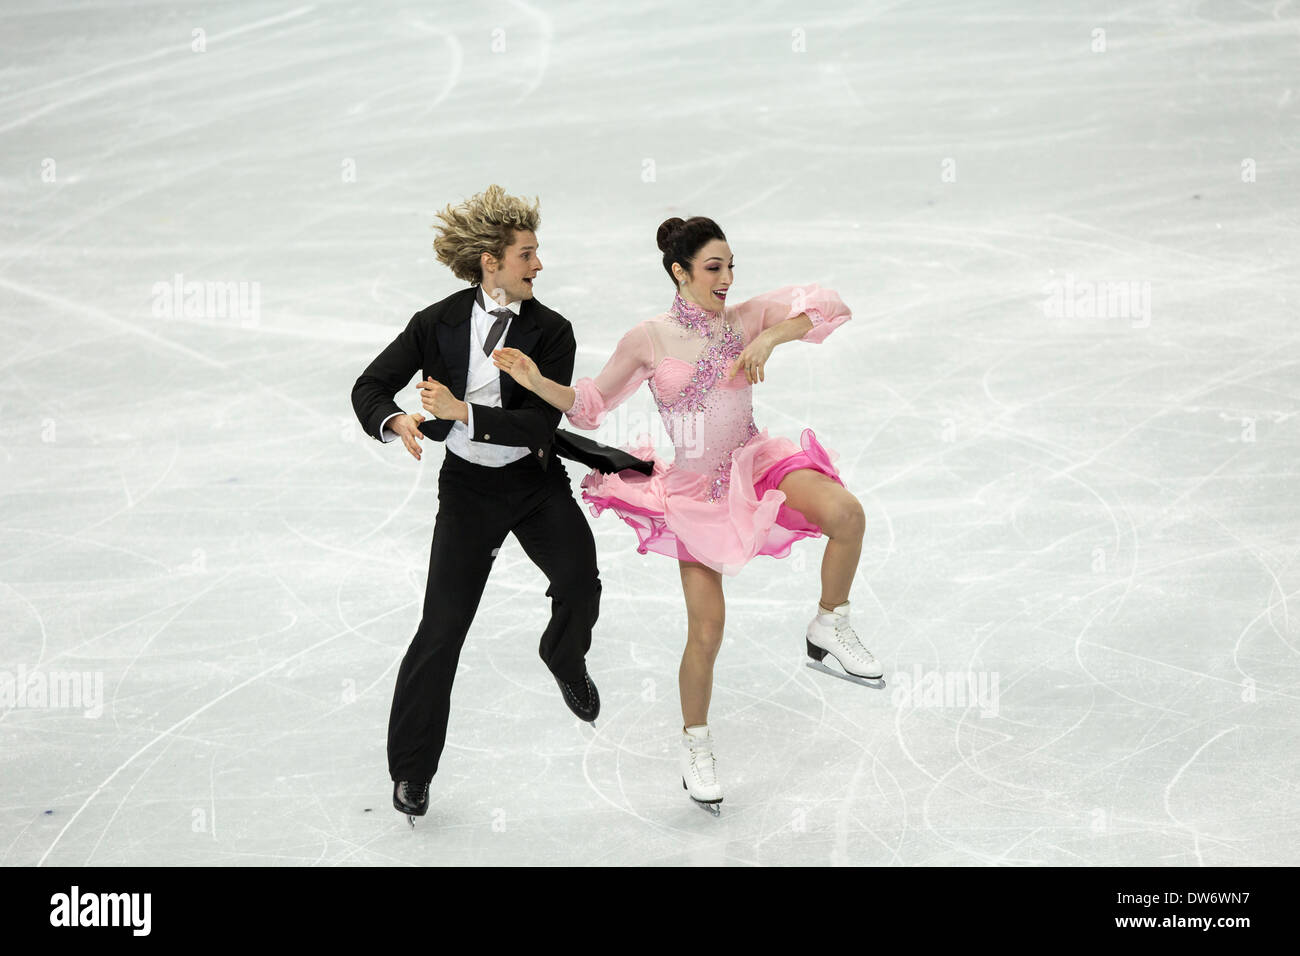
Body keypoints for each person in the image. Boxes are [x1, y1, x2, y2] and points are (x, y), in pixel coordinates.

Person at [491, 216, 883, 815]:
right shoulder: (649, 338)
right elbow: (591, 408)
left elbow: (831, 307)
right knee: (706, 630)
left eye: (731, 267)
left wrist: (770, 338)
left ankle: (830, 622)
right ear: (679, 271)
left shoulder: (747, 317)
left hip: (756, 463)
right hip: (697, 492)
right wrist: (536, 380)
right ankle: (695, 746)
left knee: (846, 514)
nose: (726, 279)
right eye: (713, 268)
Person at [351, 185, 640, 826]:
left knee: (580, 582)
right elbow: (369, 384)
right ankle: (411, 772)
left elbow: (540, 427)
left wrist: (464, 413)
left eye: (536, 255)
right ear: (491, 261)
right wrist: (393, 419)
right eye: (527, 255)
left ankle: (562, 656)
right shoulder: (437, 322)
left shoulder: (552, 329)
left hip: (534, 485)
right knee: (441, 631)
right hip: (468, 493)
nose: (538, 266)